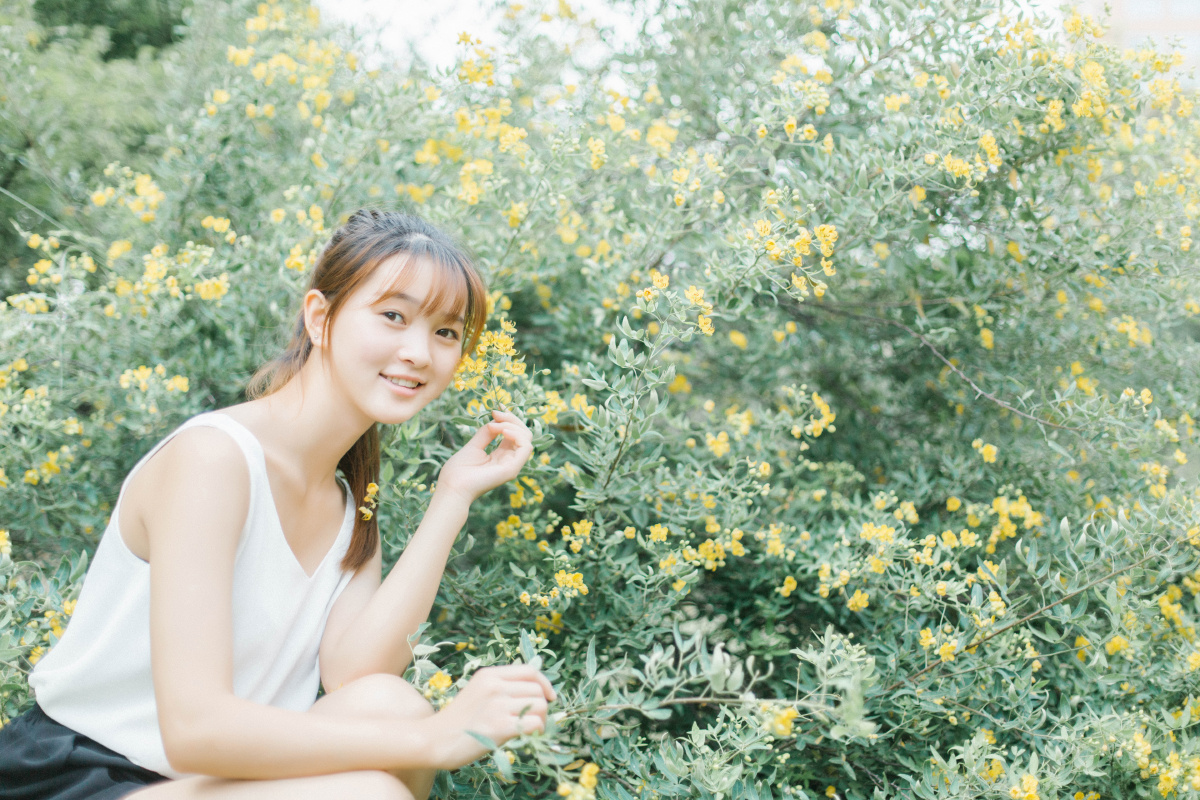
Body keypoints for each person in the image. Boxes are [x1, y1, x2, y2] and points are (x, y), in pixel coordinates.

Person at [0, 210, 556, 800]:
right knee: (371, 790)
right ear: (321, 317)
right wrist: (437, 740)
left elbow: (356, 677)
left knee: (391, 703)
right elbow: (194, 730)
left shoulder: (347, 504)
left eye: (446, 332)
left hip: (200, 783)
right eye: (393, 316)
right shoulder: (215, 460)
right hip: (80, 779)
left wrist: (454, 495)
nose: (419, 351)